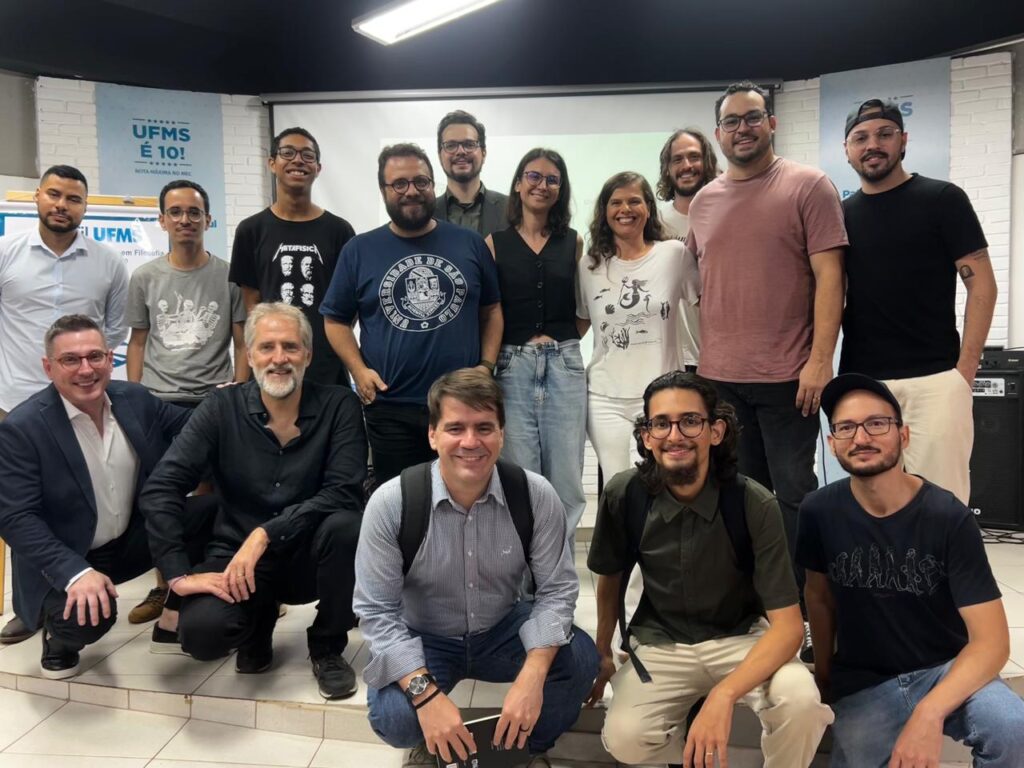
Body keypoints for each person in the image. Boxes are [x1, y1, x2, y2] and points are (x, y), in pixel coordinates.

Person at [354, 368, 598, 767]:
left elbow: (557, 591)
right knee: (395, 717)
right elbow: (377, 612)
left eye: (484, 427)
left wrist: (534, 673)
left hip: (502, 628)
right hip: (426, 636)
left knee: (581, 659)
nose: (471, 441)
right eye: (455, 428)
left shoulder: (535, 495)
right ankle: (432, 745)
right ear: (432, 435)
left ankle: (526, 749)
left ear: (502, 433)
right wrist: (426, 697)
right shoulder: (392, 503)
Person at [588, 371, 832, 768]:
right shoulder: (624, 494)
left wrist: (724, 694)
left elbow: (788, 628)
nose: (675, 435)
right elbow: (610, 577)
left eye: (690, 421)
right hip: (662, 641)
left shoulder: (754, 503)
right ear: (646, 437)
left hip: (741, 636)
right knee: (624, 739)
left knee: (801, 702)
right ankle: (695, 754)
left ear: (716, 431)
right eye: (661, 423)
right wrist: (602, 650)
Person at [139, 302, 367, 699]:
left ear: (308, 355)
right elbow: (162, 486)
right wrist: (177, 576)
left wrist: (265, 533)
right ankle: (257, 625)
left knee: (349, 525)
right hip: (237, 560)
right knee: (202, 636)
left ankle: (327, 645)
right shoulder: (219, 408)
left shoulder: (339, 405)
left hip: (310, 555)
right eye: (266, 347)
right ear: (249, 355)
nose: (279, 358)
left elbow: (343, 490)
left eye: (290, 347)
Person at [797, 373, 1024, 767]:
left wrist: (929, 711)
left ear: (903, 435)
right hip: (865, 681)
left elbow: (993, 643)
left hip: (945, 668)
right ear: (832, 444)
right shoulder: (818, 511)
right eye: (846, 427)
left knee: (1013, 729)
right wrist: (825, 677)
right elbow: (818, 597)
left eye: (876, 423)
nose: (861, 437)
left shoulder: (947, 516)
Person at [686, 81, 847, 602]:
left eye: (752, 117)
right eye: (731, 121)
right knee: (741, 495)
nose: (743, 129)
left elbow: (831, 278)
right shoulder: (704, 201)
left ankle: (805, 606)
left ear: (771, 123)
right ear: (718, 134)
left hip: (789, 377)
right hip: (721, 379)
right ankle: (757, 600)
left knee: (796, 494)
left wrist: (820, 360)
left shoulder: (809, 185)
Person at [0, 315, 213, 678]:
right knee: (89, 618)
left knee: (214, 511)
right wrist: (75, 572)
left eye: (95, 356)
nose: (86, 369)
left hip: (130, 540)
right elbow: (15, 518)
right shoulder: (23, 428)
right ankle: (59, 639)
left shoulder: (134, 399)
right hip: (68, 556)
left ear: (110, 359)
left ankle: (173, 616)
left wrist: (233, 401)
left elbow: (195, 425)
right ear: (49, 367)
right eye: (71, 359)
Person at [839, 99, 997, 505]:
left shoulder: (943, 199)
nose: (872, 145)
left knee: (942, 504)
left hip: (936, 380)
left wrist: (965, 371)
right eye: (861, 138)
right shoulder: (840, 215)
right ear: (847, 150)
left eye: (884, 134)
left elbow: (982, 284)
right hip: (864, 382)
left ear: (904, 140)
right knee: (872, 502)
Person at [322, 143, 503, 487]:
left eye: (421, 182)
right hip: (391, 407)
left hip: (462, 405)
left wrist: (486, 366)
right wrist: (358, 370)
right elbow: (335, 320)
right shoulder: (359, 250)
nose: (411, 191)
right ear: (383, 190)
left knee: (466, 496)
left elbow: (492, 309)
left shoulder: (469, 243)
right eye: (399, 183)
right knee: (402, 501)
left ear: (433, 185)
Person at [0, 165, 129, 645]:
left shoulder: (107, 263)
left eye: (73, 198)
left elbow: (114, 329)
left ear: (85, 206)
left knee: (70, 499)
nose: (62, 205)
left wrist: (83, 371)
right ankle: (28, 607)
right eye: (54, 194)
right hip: (14, 401)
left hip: (79, 399)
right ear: (37, 196)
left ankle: (72, 587)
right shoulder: (6, 252)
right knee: (21, 506)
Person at [124, 179, 249, 625]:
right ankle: (165, 586)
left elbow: (242, 341)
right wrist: (135, 398)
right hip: (159, 402)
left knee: (217, 497)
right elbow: (138, 342)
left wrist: (237, 391)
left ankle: (217, 580)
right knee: (163, 496)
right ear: (162, 220)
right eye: (175, 212)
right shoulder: (144, 277)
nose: (185, 220)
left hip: (214, 400)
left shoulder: (229, 276)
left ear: (208, 220)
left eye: (194, 212)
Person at [484, 148, 587, 550]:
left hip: (564, 365)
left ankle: (559, 575)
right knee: (520, 476)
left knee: (566, 480)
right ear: (517, 184)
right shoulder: (495, 243)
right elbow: (490, 310)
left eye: (552, 179)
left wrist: (563, 344)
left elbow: (584, 308)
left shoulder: (573, 242)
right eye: (534, 176)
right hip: (513, 368)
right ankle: (523, 576)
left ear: (561, 189)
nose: (542, 185)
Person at [576, 171, 700, 481]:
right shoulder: (589, 265)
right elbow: (581, 323)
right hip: (605, 398)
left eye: (634, 201)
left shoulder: (674, 255)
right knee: (619, 485)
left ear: (648, 207)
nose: (625, 209)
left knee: (660, 483)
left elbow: (706, 311)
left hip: (663, 397)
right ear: (604, 211)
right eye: (616, 202)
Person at [228, 127, 356, 386]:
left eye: (307, 155)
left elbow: (348, 305)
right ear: (272, 163)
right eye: (288, 153)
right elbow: (251, 305)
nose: (298, 160)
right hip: (273, 367)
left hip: (327, 369)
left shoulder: (340, 231)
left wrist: (330, 344)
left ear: (318, 168)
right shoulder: (250, 230)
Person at [656, 127, 720, 373]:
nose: (686, 166)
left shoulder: (725, 216)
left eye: (694, 157)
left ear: (707, 162)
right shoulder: (654, 222)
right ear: (667, 168)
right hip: (667, 357)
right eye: (677, 159)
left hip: (717, 357)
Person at [432, 110, 509, 237]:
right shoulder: (427, 213)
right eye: (450, 145)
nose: (460, 151)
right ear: (440, 156)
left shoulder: (511, 209)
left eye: (469, 144)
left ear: (483, 153)